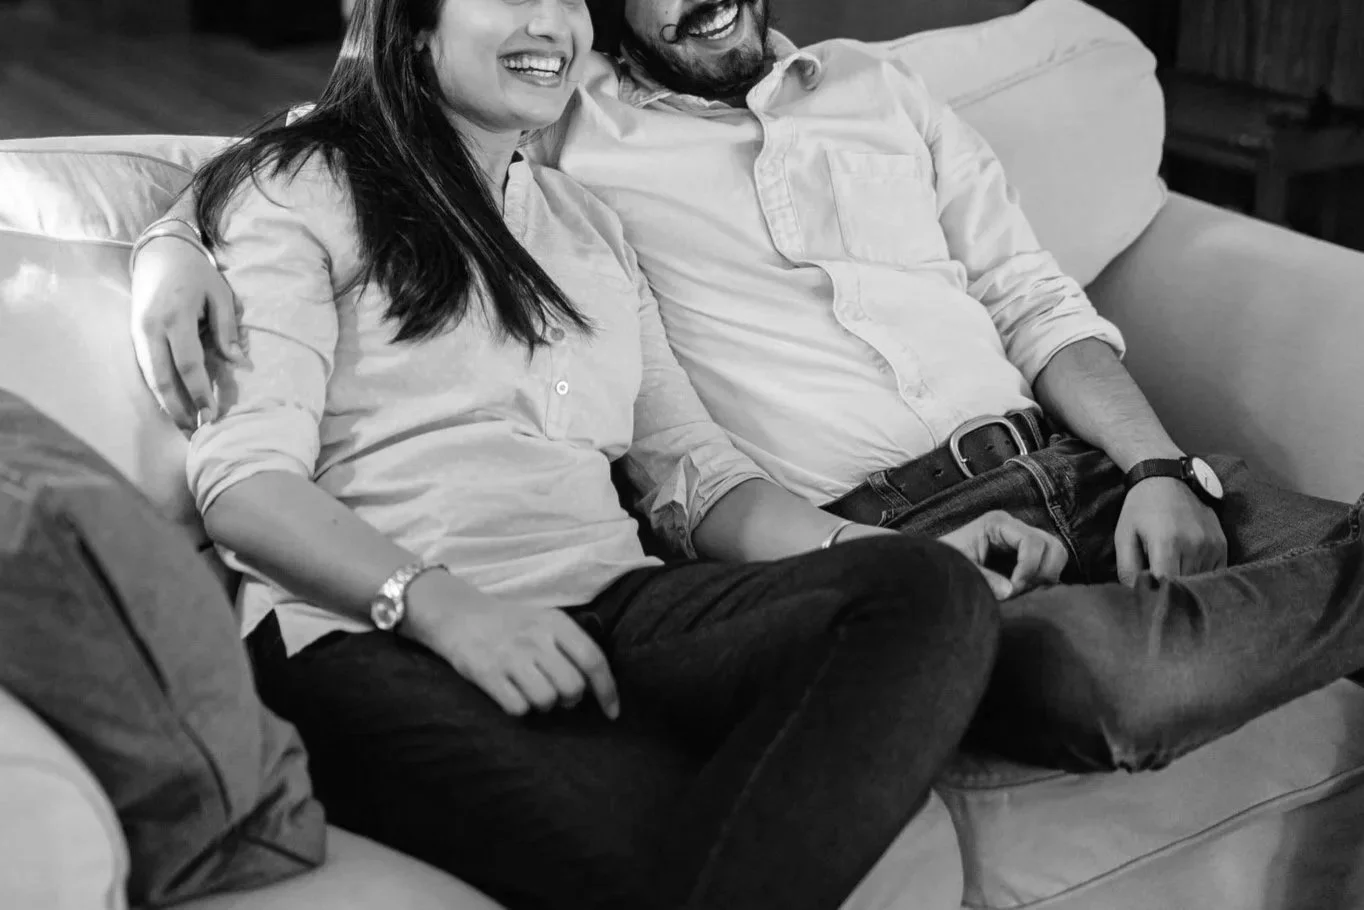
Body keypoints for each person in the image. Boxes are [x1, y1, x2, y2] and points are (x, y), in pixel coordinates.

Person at [131, 0, 1364, 776]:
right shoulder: (565, 122)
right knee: (1110, 683)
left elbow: (1034, 302)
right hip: (885, 535)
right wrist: (175, 241)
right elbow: (357, 124)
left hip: (1085, 466)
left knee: (1314, 547)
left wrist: (1158, 467)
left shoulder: (886, 95)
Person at [121, 0, 1075, 908]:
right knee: (657, 857)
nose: (553, 23)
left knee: (925, 593)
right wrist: (445, 610)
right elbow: (244, 487)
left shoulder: (588, 227)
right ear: (411, 27)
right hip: (371, 634)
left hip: (613, 608)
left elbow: (695, 473)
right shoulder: (303, 185)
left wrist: (869, 553)